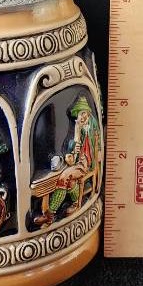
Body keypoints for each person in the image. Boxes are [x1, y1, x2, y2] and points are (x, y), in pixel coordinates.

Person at [34, 96, 100, 226]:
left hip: (86, 164)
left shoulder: (91, 129)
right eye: (80, 114)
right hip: (78, 163)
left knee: (64, 176)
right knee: (69, 181)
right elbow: (74, 152)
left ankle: (49, 214)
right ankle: (75, 203)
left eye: (84, 113)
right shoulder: (80, 129)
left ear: (88, 113)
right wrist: (76, 132)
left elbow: (91, 151)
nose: (82, 117)